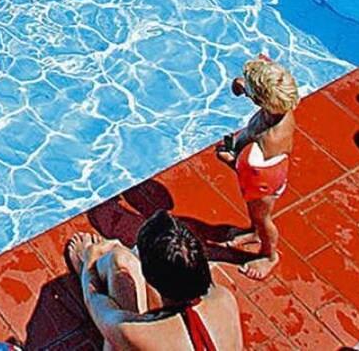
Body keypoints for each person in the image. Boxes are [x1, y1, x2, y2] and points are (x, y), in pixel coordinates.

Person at [67, 211, 244, 351]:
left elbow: (92, 299)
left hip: (139, 335)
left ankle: (93, 267)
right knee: (121, 258)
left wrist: (89, 260)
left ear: (149, 277)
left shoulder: (131, 332)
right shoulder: (224, 298)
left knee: (118, 262)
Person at [214, 55, 298, 279]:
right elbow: (268, 75)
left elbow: (251, 174)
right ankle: (254, 232)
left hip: (266, 180)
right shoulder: (281, 102)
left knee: (263, 217)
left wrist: (229, 159)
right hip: (259, 169)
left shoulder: (270, 141)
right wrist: (243, 85)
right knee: (256, 215)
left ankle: (269, 255)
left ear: (260, 101)